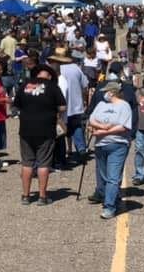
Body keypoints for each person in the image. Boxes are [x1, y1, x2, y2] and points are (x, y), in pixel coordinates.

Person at [14, 64, 66, 205]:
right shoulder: (53, 87)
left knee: (27, 162)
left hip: (26, 129)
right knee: (44, 163)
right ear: (49, 76)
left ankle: (25, 195)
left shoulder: (25, 85)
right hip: (46, 129)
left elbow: (16, 104)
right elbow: (62, 106)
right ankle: (42, 197)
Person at [87, 80, 133, 220]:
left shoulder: (124, 106)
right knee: (103, 176)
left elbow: (124, 126)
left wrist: (104, 132)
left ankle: (109, 207)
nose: (104, 94)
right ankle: (114, 198)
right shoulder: (101, 105)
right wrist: (104, 127)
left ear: (112, 92)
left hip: (117, 144)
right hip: (101, 145)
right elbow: (91, 119)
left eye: (106, 92)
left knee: (113, 177)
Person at [49, 47, 88, 164]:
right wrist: (84, 100)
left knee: (60, 131)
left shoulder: (55, 70)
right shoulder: (76, 68)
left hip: (61, 106)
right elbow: (85, 85)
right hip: (76, 104)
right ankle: (81, 149)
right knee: (76, 128)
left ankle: (61, 156)